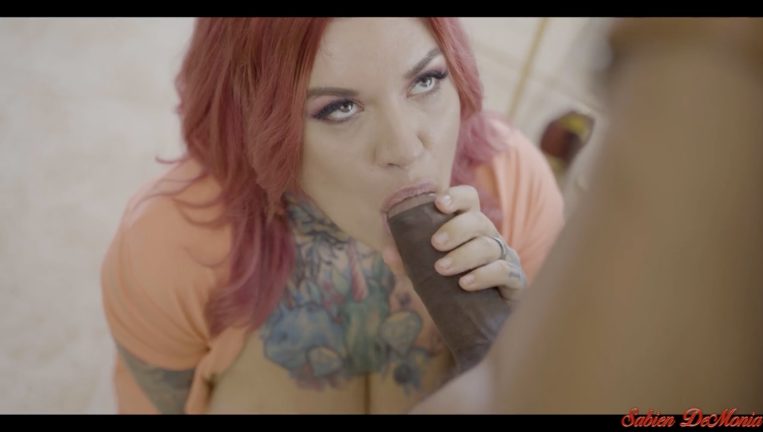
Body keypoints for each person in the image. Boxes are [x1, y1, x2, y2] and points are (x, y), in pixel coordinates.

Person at [100, 17, 565, 414]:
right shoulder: (167, 246)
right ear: (253, 117)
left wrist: (521, 341)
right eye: (340, 108)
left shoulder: (514, 184)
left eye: (426, 80)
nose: (404, 147)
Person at [413, 18, 763, 414]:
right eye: (354, 107)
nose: (404, 145)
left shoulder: (514, 175)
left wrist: (505, 329)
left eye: (425, 81)